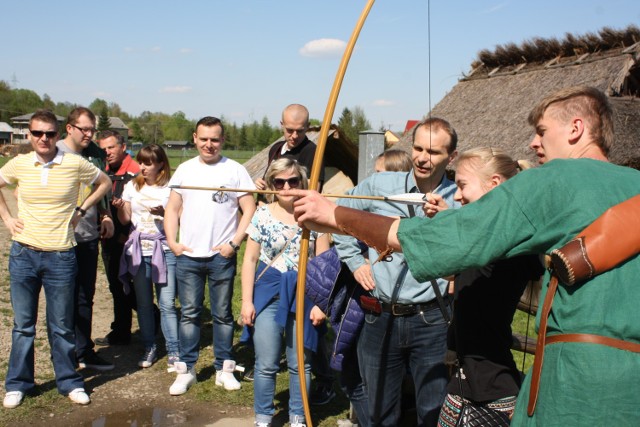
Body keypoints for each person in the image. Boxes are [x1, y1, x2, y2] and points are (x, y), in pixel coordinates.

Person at [286, 86, 640, 426]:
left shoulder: (552, 179)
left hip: (579, 383)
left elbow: (447, 241)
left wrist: (335, 216)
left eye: (542, 131)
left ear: (576, 129)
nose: (534, 142)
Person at [332, 117, 460, 426]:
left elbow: (472, 247)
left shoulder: (458, 197)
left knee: (432, 410)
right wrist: (355, 261)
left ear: (451, 157)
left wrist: (446, 220)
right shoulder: (381, 185)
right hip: (380, 316)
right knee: (378, 411)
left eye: (434, 152)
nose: (422, 158)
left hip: (431, 320)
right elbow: (339, 213)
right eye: (417, 148)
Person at [0, 110, 111, 409]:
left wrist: (81, 209)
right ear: (29, 135)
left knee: (61, 325)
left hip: (61, 256)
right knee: (23, 325)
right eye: (37, 133)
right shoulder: (20, 164)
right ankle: (18, 384)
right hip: (24, 254)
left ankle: (69, 381)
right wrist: (8, 219)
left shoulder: (74, 162)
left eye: (49, 133)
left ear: (57, 132)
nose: (43, 139)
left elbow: (104, 183)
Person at [425, 148, 543, 426]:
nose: (456, 196)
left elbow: (454, 256)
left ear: (495, 185)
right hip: (466, 380)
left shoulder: (509, 243)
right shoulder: (488, 239)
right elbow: (457, 268)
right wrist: (447, 218)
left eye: (463, 185)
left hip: (493, 388)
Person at [165, 116, 256, 395]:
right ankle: (187, 369)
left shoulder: (236, 170)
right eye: (203, 139)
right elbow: (172, 208)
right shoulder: (184, 169)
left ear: (222, 140)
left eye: (214, 139)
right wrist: (173, 242)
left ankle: (223, 368)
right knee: (190, 314)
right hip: (189, 256)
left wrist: (235, 242)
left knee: (223, 315)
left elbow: (249, 208)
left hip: (221, 255)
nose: (209, 144)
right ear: (194, 138)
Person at [240, 158, 330, 427]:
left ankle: (297, 416)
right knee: (266, 361)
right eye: (280, 181)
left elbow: (324, 264)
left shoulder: (315, 215)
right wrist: (246, 301)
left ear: (302, 183)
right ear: (271, 184)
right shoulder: (262, 213)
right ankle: (264, 417)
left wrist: (321, 303)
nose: (287, 186)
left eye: (293, 181)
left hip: (303, 292)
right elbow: (249, 260)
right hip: (268, 290)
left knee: (299, 362)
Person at [56, 107, 116, 371]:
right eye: (85, 129)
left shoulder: (94, 155)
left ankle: (84, 350)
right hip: (58, 238)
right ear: (70, 128)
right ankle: (64, 356)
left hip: (88, 235)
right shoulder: (54, 152)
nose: (90, 134)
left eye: (92, 130)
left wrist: (105, 214)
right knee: (62, 299)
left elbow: (101, 187)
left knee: (85, 296)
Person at [117, 144, 179, 370]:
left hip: (164, 250)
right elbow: (125, 220)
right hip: (138, 251)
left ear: (161, 164)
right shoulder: (131, 186)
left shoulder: (171, 189)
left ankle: (174, 350)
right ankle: (149, 345)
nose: (142, 167)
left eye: (148, 163)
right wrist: (119, 207)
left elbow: (180, 218)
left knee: (167, 304)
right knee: (143, 304)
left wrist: (164, 213)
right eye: (141, 162)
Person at [96, 130, 141, 346]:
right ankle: (121, 330)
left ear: (123, 147)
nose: (107, 152)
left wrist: (125, 235)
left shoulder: (136, 173)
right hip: (109, 239)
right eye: (103, 148)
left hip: (130, 240)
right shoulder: (101, 170)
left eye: (111, 147)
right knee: (116, 285)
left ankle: (152, 318)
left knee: (128, 285)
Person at [254, 104, 325, 192]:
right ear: (282, 125)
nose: (294, 136)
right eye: (290, 130)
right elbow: (271, 180)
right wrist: (261, 184)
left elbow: (312, 192)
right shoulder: (276, 148)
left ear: (307, 126)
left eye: (300, 131)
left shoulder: (312, 152)